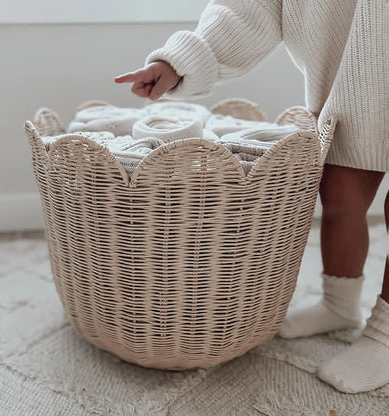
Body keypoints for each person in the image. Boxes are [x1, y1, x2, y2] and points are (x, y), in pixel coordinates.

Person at [115, 0, 389, 393]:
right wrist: (182, 60)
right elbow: (249, 7)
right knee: (339, 196)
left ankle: (385, 335)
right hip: (356, 83)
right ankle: (339, 303)